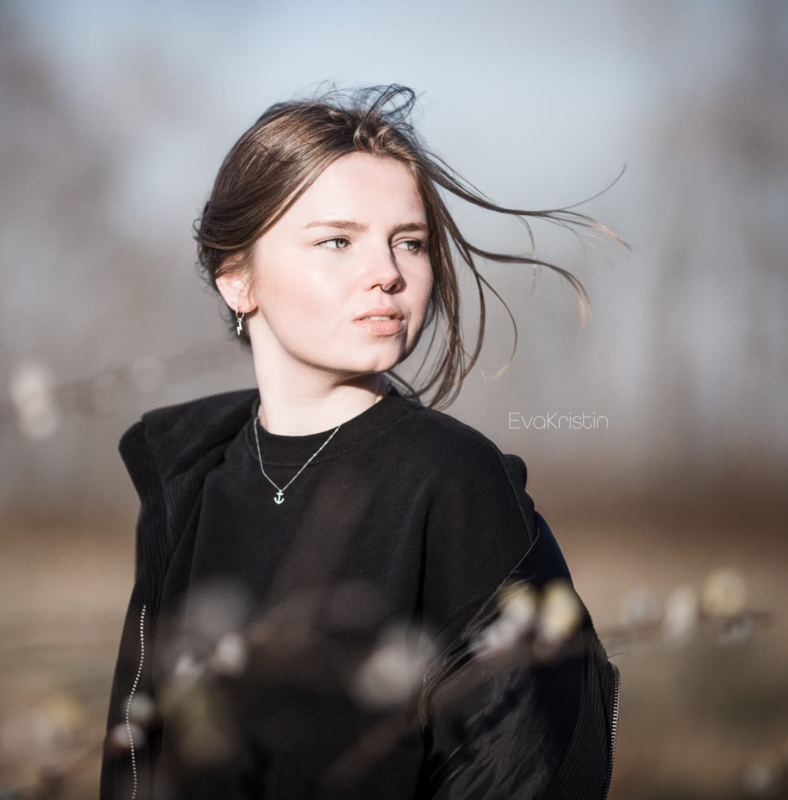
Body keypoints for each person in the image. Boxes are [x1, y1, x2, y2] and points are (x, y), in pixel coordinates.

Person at [100, 84, 623, 800]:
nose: (389, 274)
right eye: (338, 241)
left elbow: (527, 764)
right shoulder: (183, 476)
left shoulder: (456, 480)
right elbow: (138, 756)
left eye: (408, 242)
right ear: (237, 278)